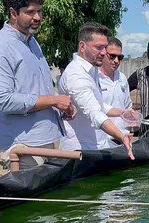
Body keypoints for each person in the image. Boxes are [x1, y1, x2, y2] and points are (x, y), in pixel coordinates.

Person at [0, 0, 75, 170]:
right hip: (22, 149)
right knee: (26, 200)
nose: (37, 17)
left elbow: (35, 89)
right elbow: (4, 101)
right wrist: (53, 101)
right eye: (30, 12)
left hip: (44, 143)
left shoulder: (32, 42)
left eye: (39, 11)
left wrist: (59, 108)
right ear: (13, 13)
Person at [58, 22, 135, 160]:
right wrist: (121, 135)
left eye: (105, 48)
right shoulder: (75, 75)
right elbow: (95, 113)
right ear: (82, 46)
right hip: (79, 153)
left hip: (97, 148)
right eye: (99, 47)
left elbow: (98, 104)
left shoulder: (91, 70)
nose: (104, 53)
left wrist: (121, 112)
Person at [98, 37, 132, 134]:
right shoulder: (94, 78)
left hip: (122, 138)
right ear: (103, 53)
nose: (116, 60)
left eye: (119, 57)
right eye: (112, 56)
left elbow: (127, 106)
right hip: (102, 140)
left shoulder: (122, 78)